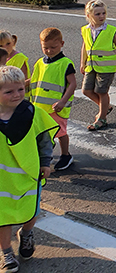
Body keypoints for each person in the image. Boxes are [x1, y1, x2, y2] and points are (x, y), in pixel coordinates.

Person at [0, 65, 58, 271]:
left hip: (28, 175)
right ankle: (6, 253)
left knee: (32, 211)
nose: (16, 95)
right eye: (9, 91)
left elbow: (45, 140)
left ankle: (26, 233)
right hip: (2, 181)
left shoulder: (32, 113)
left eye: (20, 90)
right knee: (2, 216)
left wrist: (45, 162)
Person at [29, 28, 76, 171]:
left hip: (57, 108)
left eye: (53, 47)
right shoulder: (39, 62)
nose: (49, 50)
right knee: (43, 134)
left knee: (61, 133)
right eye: (45, 47)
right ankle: (45, 155)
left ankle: (66, 155)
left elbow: (73, 84)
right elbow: (34, 80)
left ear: (62, 44)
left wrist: (62, 102)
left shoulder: (65, 63)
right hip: (40, 108)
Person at [80, 0, 116, 131]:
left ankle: (101, 119)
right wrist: (82, 63)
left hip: (107, 67)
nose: (101, 16)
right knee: (86, 90)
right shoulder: (86, 30)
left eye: (103, 13)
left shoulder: (110, 30)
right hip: (91, 65)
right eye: (97, 14)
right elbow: (85, 46)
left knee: (101, 91)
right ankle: (106, 107)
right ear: (89, 15)